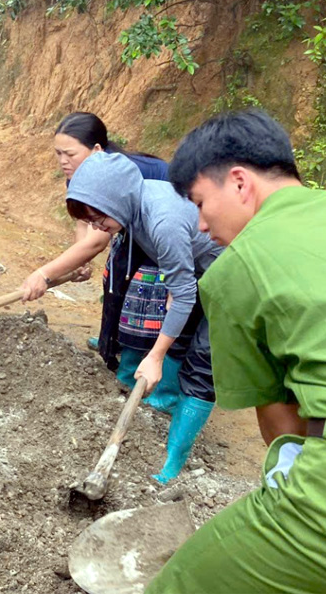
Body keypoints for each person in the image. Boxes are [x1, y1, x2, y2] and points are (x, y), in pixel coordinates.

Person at [147, 110, 326, 593]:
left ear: (240, 183)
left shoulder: (234, 270)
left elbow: (283, 431)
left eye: (201, 203)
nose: (201, 226)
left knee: (176, 585)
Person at [65, 152, 223, 483]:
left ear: (114, 200)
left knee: (202, 362)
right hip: (198, 274)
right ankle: (166, 407)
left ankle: (172, 461)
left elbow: (184, 292)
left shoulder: (160, 220)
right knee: (177, 341)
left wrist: (155, 355)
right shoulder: (134, 204)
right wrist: (176, 278)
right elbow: (181, 272)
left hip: (232, 280)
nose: (96, 228)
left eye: (98, 218)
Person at [18, 113, 181, 412]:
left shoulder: (122, 175)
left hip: (163, 231)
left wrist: (44, 273)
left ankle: (155, 381)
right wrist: (76, 261)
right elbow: (86, 221)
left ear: (95, 151)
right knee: (115, 284)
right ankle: (114, 344)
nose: (63, 161)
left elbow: (96, 241)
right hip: (130, 226)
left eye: (70, 154)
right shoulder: (80, 173)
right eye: (58, 154)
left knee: (146, 298)